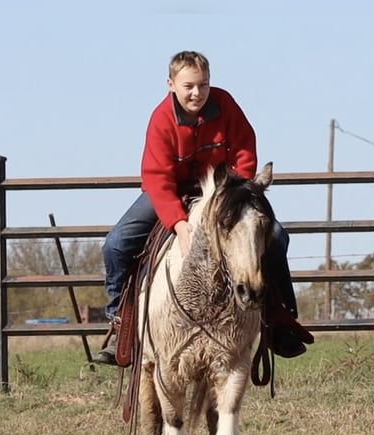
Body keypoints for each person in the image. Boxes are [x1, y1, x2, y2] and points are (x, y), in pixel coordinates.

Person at [95, 50, 307, 365]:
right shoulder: (161, 119)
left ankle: (279, 318)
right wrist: (179, 224)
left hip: (221, 191)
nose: (197, 93)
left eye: (203, 85)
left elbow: (245, 149)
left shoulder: (225, 105)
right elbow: (157, 178)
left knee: (275, 235)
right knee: (116, 245)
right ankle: (121, 323)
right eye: (189, 86)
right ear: (171, 84)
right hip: (172, 192)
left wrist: (236, 191)